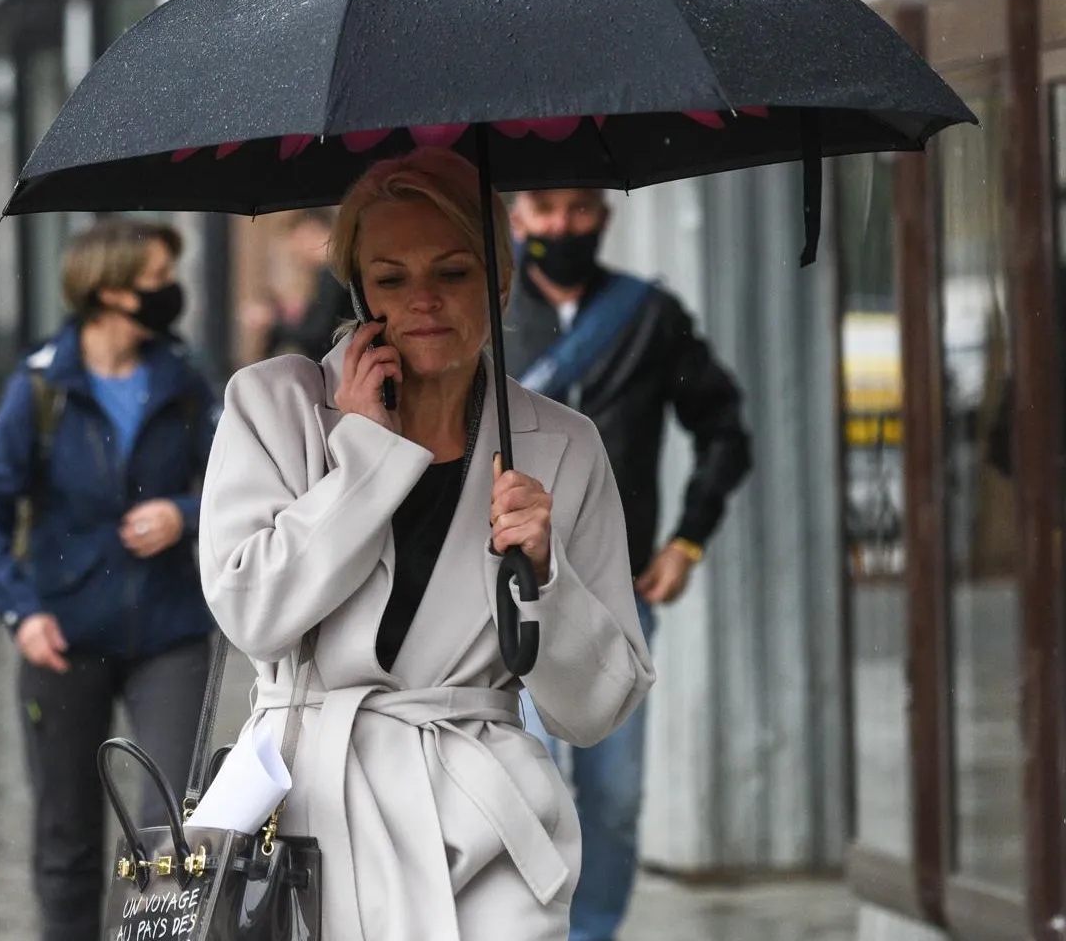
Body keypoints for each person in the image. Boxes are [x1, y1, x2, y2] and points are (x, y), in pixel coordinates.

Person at [198, 147, 654, 940]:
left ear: (500, 282)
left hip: (486, 825)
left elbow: (596, 708)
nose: (424, 303)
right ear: (357, 290)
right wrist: (362, 461)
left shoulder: (563, 445)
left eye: (452, 273)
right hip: (312, 816)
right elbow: (253, 615)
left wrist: (546, 577)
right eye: (392, 278)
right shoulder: (277, 407)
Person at [0, 216, 221, 941]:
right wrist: (20, 612)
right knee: (67, 839)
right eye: (159, 282)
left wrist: (184, 511)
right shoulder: (42, 390)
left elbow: (242, 483)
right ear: (108, 292)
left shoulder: (184, 382)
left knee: (170, 833)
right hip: (63, 640)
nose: (173, 295)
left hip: (169, 633)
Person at [503, 187, 754, 941]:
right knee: (528, 785)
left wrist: (688, 540)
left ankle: (594, 932)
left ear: (605, 215)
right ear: (515, 220)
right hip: (506, 595)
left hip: (617, 596)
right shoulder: (484, 316)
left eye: (579, 209)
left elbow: (725, 431)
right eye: (544, 210)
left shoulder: (650, 316)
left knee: (613, 796)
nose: (561, 227)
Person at [247, 210, 356, 362]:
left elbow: (318, 334)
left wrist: (272, 325)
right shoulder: (335, 272)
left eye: (297, 242)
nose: (296, 253)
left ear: (310, 231)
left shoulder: (331, 273)